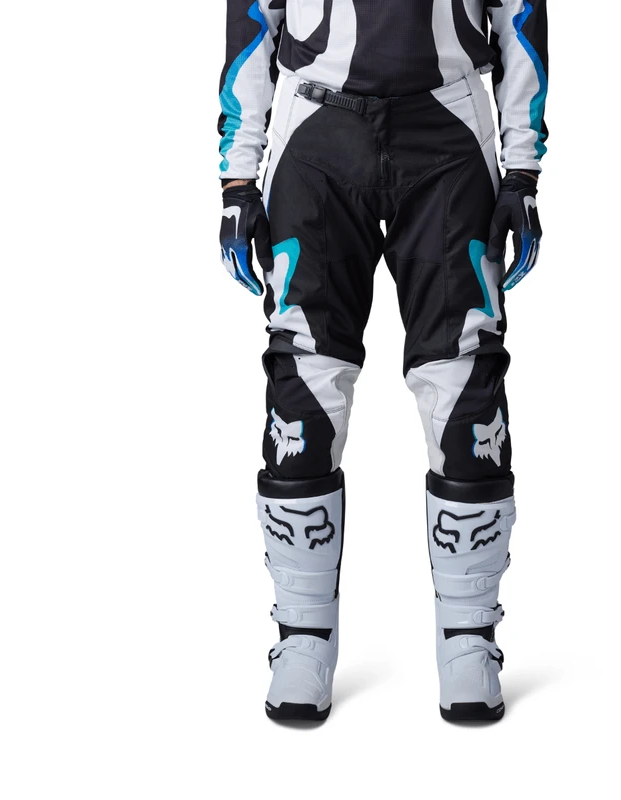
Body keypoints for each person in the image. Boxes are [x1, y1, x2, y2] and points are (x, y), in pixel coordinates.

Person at [218, 0, 548, 723]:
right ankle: (302, 638)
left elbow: (519, 13)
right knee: (302, 383)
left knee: (466, 381)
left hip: (448, 129)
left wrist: (522, 171)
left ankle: (469, 639)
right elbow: (253, 16)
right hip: (316, 130)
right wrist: (238, 180)